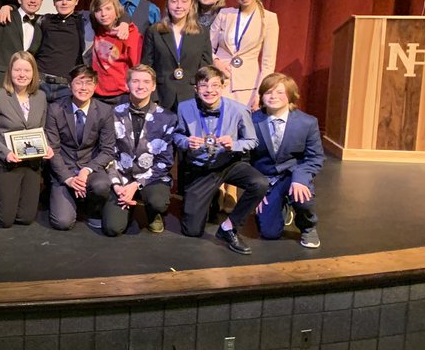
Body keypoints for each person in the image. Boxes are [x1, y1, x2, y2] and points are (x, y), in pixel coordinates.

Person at [173, 66, 268, 253]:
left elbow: (251, 141)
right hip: (201, 167)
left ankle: (229, 227)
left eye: (215, 85)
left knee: (260, 183)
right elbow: (177, 136)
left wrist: (234, 144)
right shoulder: (184, 107)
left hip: (228, 163)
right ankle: (213, 194)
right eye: (204, 86)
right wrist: (186, 141)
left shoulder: (239, 110)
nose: (210, 90)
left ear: (223, 87)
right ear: (196, 89)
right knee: (191, 231)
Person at [251, 72, 324, 248]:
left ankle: (308, 227)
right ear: (262, 96)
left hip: (293, 175)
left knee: (303, 199)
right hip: (266, 178)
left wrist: (300, 179)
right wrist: (256, 190)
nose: (273, 96)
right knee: (269, 234)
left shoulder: (307, 122)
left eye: (279, 92)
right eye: (268, 92)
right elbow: (245, 159)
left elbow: (315, 157)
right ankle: (280, 207)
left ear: (290, 96)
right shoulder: (251, 120)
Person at [104, 66, 177, 236]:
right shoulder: (113, 113)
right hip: (121, 175)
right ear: (127, 84)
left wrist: (136, 184)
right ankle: (127, 207)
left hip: (152, 175)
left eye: (146, 82)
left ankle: (154, 213)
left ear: (153, 86)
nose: (140, 86)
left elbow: (165, 161)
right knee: (112, 228)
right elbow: (108, 152)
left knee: (157, 201)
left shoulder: (168, 117)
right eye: (135, 81)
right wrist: (116, 185)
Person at [0, 52, 52, 228]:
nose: (22, 74)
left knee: (26, 218)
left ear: (33, 73)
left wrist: (46, 147)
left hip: (31, 163)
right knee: (4, 220)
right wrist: (5, 154)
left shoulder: (41, 97)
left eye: (27, 70)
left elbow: (41, 130)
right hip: (6, 163)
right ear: (10, 72)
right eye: (17, 69)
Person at [44, 65, 116, 231]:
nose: (83, 88)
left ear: (95, 86)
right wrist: (68, 178)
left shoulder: (104, 111)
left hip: (90, 168)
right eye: (79, 83)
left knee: (101, 186)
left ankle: (91, 209)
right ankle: (68, 198)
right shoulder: (55, 109)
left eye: (89, 83)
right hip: (64, 169)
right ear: (70, 85)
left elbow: (107, 150)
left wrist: (86, 171)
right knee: (62, 222)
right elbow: (52, 149)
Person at [209, 0, 279, 109]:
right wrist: (216, 62)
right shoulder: (225, 14)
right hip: (220, 81)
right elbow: (206, 47)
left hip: (248, 86)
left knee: (241, 126)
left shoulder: (269, 19)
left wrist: (260, 93)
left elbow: (268, 63)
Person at [142, 0, 214, 110]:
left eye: (184, 1)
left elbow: (205, 68)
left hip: (192, 97)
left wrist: (202, 95)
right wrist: (153, 97)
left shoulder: (202, 32)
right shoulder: (154, 31)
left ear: (191, 5)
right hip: (162, 97)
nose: (179, 6)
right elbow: (147, 67)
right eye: (174, 1)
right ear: (167, 4)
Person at [35, 0, 88, 102]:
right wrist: (8, 7)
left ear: (77, 0)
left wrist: (124, 22)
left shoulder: (83, 20)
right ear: (54, 1)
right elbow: (23, 10)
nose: (64, 2)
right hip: (40, 85)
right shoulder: (45, 20)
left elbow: (109, 10)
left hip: (66, 87)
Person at [88, 0, 143, 105]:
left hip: (121, 96)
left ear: (117, 11)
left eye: (108, 9)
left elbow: (136, 66)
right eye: (98, 10)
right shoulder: (94, 29)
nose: (103, 14)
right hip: (96, 95)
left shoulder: (130, 34)